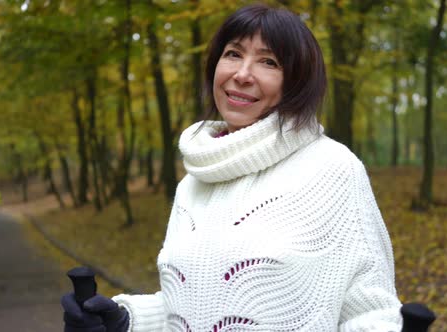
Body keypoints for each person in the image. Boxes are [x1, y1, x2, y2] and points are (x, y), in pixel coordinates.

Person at [62, 4, 403, 331]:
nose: (242, 74)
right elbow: (196, 302)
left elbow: (371, 313)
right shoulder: (194, 180)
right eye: (233, 54)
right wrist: (126, 320)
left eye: (269, 61)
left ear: (297, 82)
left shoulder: (332, 169)